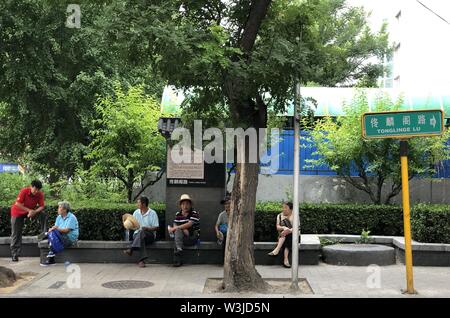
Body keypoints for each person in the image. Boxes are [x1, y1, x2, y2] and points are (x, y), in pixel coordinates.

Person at [10, 180, 47, 262]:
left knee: (43, 214)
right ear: (31, 186)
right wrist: (29, 210)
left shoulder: (39, 194)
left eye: (38, 190)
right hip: (17, 212)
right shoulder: (24, 191)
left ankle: (44, 233)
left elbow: (41, 206)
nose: (36, 191)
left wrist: (34, 212)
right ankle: (15, 254)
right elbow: (17, 204)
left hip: (31, 212)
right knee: (16, 233)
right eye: (35, 189)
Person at [123, 196, 159, 268]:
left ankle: (131, 248)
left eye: (138, 203)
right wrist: (129, 225)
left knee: (142, 231)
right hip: (137, 235)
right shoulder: (136, 212)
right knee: (140, 235)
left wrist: (147, 228)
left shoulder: (152, 213)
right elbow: (134, 225)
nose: (137, 205)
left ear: (144, 204)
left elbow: (156, 227)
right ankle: (141, 260)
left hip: (149, 235)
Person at [40, 201, 79, 266]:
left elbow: (66, 230)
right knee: (52, 232)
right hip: (60, 236)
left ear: (65, 210)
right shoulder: (59, 217)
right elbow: (56, 227)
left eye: (59, 207)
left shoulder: (72, 217)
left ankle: (51, 258)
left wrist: (53, 229)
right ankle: (51, 255)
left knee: (52, 232)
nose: (58, 209)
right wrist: (52, 229)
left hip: (69, 239)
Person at [167, 194, 200, 267]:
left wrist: (177, 228)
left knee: (177, 235)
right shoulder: (178, 214)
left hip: (192, 237)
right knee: (178, 234)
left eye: (187, 204)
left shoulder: (194, 213)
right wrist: (181, 229)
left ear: (190, 205)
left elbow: (190, 224)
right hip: (182, 237)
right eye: (183, 204)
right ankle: (179, 250)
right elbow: (175, 223)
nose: (185, 206)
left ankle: (177, 259)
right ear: (180, 205)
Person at [268, 202, 299, 268]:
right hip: (282, 235)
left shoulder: (295, 216)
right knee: (286, 234)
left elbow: (297, 228)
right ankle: (286, 260)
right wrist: (283, 228)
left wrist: (289, 230)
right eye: (283, 207)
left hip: (294, 236)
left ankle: (277, 250)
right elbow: (277, 227)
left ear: (291, 209)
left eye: (286, 208)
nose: (284, 209)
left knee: (288, 234)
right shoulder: (279, 216)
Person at [215, 195, 230, 261]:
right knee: (225, 237)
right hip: (225, 233)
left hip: (233, 233)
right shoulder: (222, 214)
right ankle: (225, 259)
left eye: (229, 203)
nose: (227, 205)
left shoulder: (236, 213)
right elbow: (216, 225)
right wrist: (217, 232)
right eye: (225, 204)